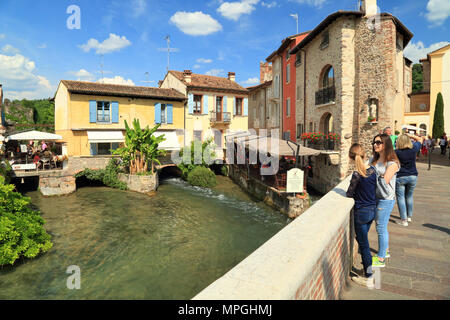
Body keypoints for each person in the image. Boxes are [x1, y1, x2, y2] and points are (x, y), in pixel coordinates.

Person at [346, 144, 377, 289]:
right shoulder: (372, 170)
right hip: (372, 210)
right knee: (363, 242)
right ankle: (366, 269)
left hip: (361, 212)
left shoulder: (357, 174)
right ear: (364, 155)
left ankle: (370, 277)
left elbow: (349, 193)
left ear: (351, 158)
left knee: (364, 245)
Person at [371, 133, 400, 268]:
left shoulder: (392, 163)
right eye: (374, 142)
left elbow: (384, 180)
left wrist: (373, 176)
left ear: (385, 144)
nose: (375, 145)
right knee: (382, 226)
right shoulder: (374, 160)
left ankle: (381, 258)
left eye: (378, 142)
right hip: (375, 197)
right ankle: (386, 251)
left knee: (380, 227)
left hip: (385, 199)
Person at [395, 134, 425, 226]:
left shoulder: (396, 152)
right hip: (413, 176)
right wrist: (409, 135)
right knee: (409, 196)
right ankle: (409, 216)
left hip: (401, 176)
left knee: (400, 198)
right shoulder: (414, 149)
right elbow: (420, 139)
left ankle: (404, 220)